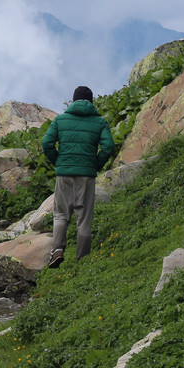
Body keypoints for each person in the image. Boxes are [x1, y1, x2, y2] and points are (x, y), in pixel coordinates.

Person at [41, 85, 115, 268]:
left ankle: (57, 250)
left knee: (60, 214)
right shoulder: (100, 122)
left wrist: (58, 162)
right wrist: (95, 164)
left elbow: (46, 143)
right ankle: (82, 261)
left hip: (64, 174)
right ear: (91, 101)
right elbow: (108, 147)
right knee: (84, 219)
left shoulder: (60, 120)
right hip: (86, 175)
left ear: (73, 101)